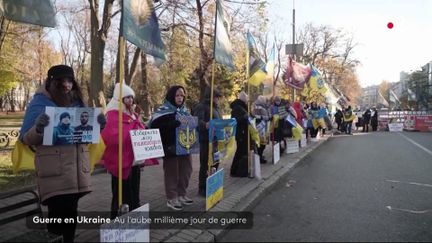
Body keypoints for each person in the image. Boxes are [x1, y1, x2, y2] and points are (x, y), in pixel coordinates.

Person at [19, 64, 106, 242]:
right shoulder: (39, 103)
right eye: (62, 81)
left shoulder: (78, 102)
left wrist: (98, 125)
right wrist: (39, 128)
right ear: (51, 82)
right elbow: (26, 139)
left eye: (70, 81)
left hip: (75, 171)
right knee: (58, 218)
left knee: (71, 216)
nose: (66, 85)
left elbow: (85, 136)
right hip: (55, 172)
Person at [101, 83, 154, 218]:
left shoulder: (133, 114)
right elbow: (111, 136)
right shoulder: (112, 115)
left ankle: (134, 219)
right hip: (120, 162)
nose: (130, 100)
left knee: (134, 191)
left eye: (131, 97)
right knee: (121, 193)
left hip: (134, 162)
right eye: (127, 97)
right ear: (120, 99)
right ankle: (117, 220)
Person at [149, 85, 194, 211]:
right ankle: (172, 198)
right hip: (170, 147)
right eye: (177, 95)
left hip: (185, 146)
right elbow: (155, 127)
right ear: (171, 96)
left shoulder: (185, 111)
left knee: (186, 170)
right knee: (172, 172)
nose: (180, 98)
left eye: (182, 96)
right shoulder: (163, 111)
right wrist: (172, 124)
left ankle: (182, 194)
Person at [192, 87, 222, 197]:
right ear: (211, 96)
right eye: (216, 97)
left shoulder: (216, 108)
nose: (218, 99)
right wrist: (205, 125)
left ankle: (211, 183)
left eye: (218, 97)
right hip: (205, 140)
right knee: (205, 164)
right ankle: (202, 188)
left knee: (215, 162)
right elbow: (195, 121)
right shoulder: (201, 107)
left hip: (215, 140)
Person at [230, 91, 250, 177]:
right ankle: (234, 170)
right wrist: (244, 117)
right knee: (240, 152)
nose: (247, 100)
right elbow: (234, 120)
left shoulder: (242, 107)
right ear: (243, 99)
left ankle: (241, 170)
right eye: (246, 99)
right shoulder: (237, 107)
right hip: (241, 133)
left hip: (244, 132)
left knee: (243, 151)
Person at [252, 95, 270, 164]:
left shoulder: (254, 106)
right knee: (262, 144)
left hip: (256, 128)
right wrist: (267, 117)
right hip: (261, 128)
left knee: (259, 144)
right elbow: (265, 117)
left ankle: (259, 156)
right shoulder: (260, 107)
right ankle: (259, 157)